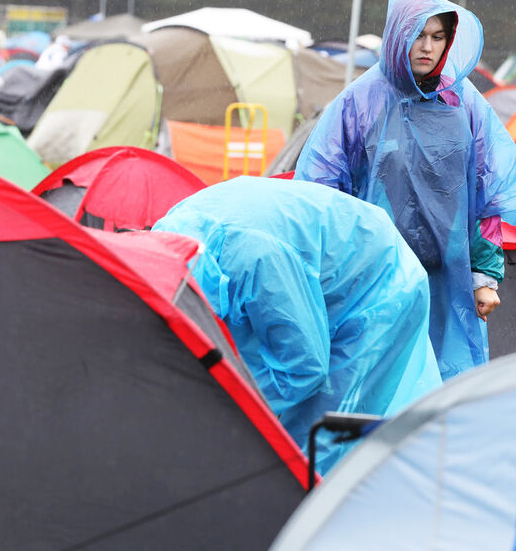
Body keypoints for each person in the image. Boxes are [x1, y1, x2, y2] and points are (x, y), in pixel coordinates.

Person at [294, 0, 516, 380]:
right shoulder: (360, 102)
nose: (427, 47)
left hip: (446, 282)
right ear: (398, 34)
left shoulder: (464, 103)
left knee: (441, 395)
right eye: (417, 34)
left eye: (437, 37)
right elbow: (321, 190)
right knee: (378, 388)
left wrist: (483, 276)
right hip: (374, 277)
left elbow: (486, 194)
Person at [153, 176, 442, 474]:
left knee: (315, 443)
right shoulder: (170, 237)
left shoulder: (252, 259)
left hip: (376, 288)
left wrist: (223, 405)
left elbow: (305, 368)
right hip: (325, 270)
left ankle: (312, 513)